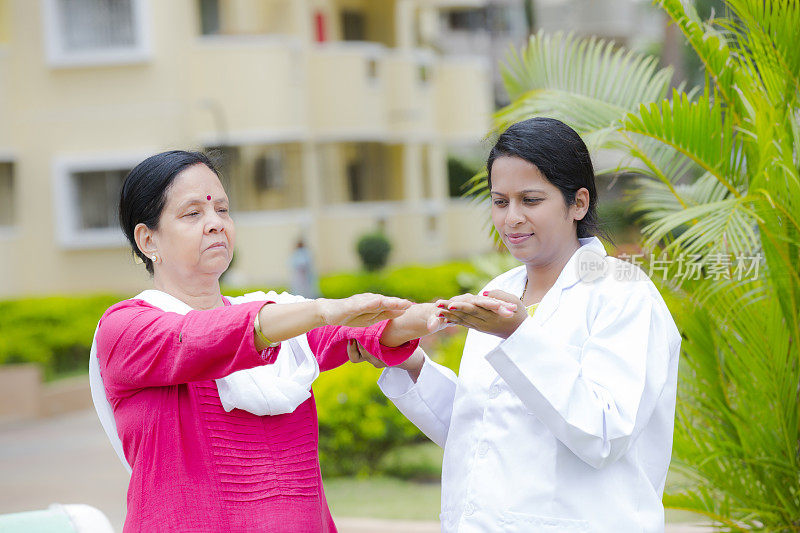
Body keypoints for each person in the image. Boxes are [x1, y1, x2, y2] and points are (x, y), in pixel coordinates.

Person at [88, 151, 514, 532]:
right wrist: (323, 309)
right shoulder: (127, 328)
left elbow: (359, 335)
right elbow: (198, 339)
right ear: (148, 240)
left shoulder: (278, 320)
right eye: (193, 213)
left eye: (222, 208)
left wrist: (433, 315)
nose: (216, 222)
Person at [354, 118, 682, 532]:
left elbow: (604, 434)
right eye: (500, 201)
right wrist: (411, 364)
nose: (511, 218)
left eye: (530, 200)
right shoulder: (500, 289)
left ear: (578, 203)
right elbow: (481, 425)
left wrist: (517, 336)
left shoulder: (623, 293)